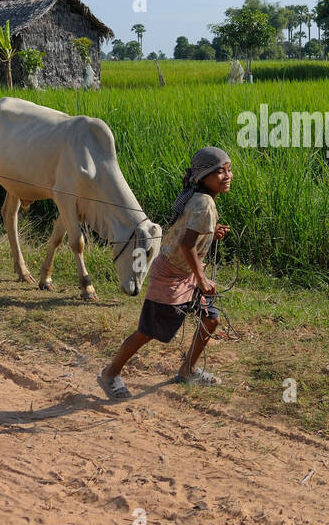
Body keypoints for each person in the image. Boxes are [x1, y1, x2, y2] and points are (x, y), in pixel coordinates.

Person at [97, 147, 232, 400]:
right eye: (220, 171)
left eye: (229, 169)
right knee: (147, 331)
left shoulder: (201, 198)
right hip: (172, 274)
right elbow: (186, 244)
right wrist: (201, 280)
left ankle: (187, 369)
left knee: (211, 319)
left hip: (188, 272)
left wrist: (212, 232)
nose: (227, 175)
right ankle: (110, 373)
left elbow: (188, 231)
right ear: (203, 176)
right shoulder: (204, 202)